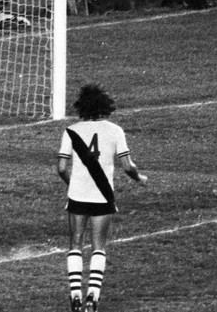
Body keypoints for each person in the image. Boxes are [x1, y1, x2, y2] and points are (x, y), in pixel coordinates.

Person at [58, 84, 147, 312]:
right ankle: (93, 298)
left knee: (75, 244)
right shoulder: (115, 130)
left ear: (82, 106)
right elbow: (127, 166)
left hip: (77, 195)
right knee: (99, 246)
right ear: (105, 106)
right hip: (103, 195)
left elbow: (60, 167)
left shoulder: (71, 130)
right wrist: (139, 178)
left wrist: (73, 184)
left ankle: (75, 295)